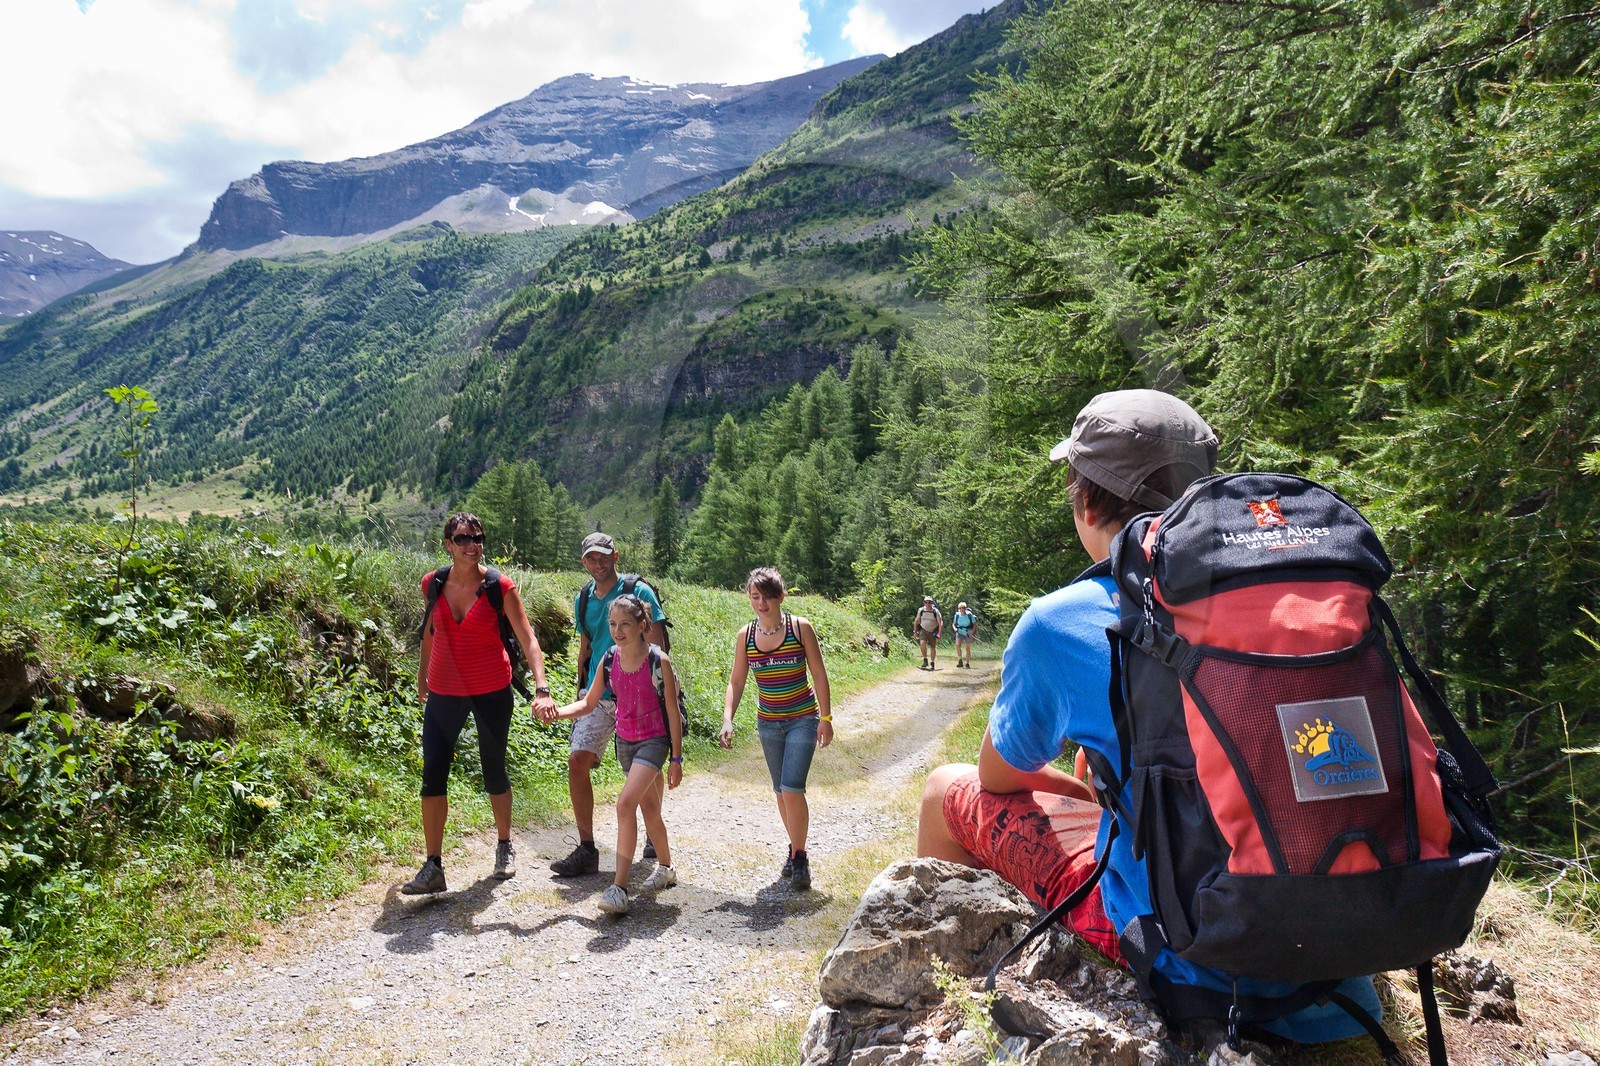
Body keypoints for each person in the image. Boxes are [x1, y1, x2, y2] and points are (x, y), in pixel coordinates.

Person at [915, 390, 1381, 1043]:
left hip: (1193, 967)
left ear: (1085, 499)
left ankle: (948, 1011)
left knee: (944, 790)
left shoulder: (1063, 620)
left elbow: (998, 778)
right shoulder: (1296, 598)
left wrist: (1079, 789)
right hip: (1343, 962)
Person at [403, 512, 556, 895]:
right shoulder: (432, 583)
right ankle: (433, 865)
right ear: (448, 545)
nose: (473, 545)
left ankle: (504, 845)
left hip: (490, 688)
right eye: (463, 538)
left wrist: (542, 688)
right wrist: (422, 676)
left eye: (478, 537)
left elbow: (528, 639)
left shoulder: (498, 587)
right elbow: (430, 633)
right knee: (433, 772)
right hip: (443, 689)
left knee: (493, 768)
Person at [540, 595, 683, 915]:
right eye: (613, 625)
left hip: (654, 742)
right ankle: (666, 868)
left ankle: (619, 889)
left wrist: (676, 758)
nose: (618, 631)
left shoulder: (659, 662)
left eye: (625, 625)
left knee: (624, 804)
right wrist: (558, 712)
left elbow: (672, 711)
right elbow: (589, 704)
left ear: (643, 626)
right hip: (626, 742)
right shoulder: (608, 659)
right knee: (649, 808)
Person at [550, 532, 668, 877]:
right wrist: (581, 690)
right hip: (599, 693)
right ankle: (587, 848)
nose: (597, 563)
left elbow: (658, 648)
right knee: (577, 761)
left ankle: (651, 832)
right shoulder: (583, 599)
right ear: (584, 561)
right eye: (591, 558)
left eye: (603, 557)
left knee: (646, 767)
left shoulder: (639, 592)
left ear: (616, 556)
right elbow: (587, 648)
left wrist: (655, 694)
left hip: (639, 694)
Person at [719, 567, 833, 889]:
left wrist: (826, 718)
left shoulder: (801, 628)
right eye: (755, 597)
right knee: (781, 792)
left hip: (802, 718)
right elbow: (736, 681)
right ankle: (794, 847)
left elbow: (819, 674)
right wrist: (728, 717)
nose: (761, 603)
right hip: (768, 723)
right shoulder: (747, 636)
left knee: (792, 789)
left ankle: (800, 859)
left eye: (768, 596)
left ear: (781, 596)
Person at [912, 596, 943, 669]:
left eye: (929, 602)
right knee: (922, 643)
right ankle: (925, 659)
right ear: (924, 603)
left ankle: (932, 663)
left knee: (932, 646)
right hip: (923, 629)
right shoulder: (921, 610)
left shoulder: (935, 611)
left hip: (933, 630)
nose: (928, 604)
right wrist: (915, 632)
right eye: (926, 602)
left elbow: (940, 623)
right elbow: (916, 621)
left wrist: (939, 633)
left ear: (932, 603)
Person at [951, 602, 976, 668]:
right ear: (959, 609)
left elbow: (975, 625)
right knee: (958, 645)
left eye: (963, 608)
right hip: (960, 632)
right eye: (960, 608)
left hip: (968, 632)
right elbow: (953, 624)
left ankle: (967, 663)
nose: (962, 609)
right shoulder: (957, 615)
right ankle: (960, 660)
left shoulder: (969, 615)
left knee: (967, 648)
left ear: (965, 608)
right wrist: (955, 628)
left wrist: (972, 633)